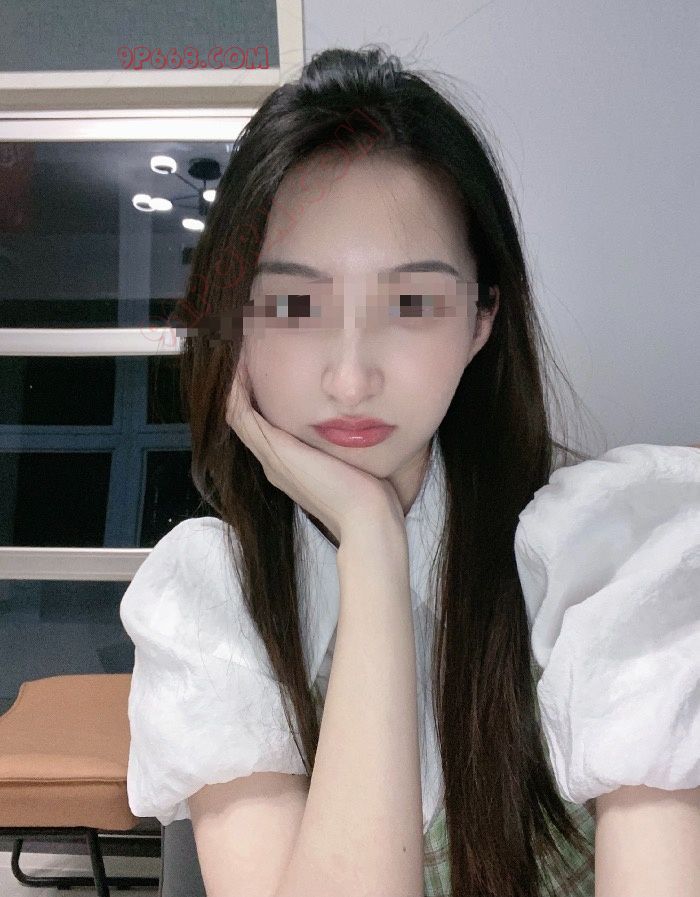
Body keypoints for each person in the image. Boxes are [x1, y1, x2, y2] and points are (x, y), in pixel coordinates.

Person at [119, 46, 700, 897]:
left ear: (482, 318)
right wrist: (372, 546)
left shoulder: (610, 562)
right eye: (295, 305)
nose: (352, 377)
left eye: (412, 302)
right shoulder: (212, 606)